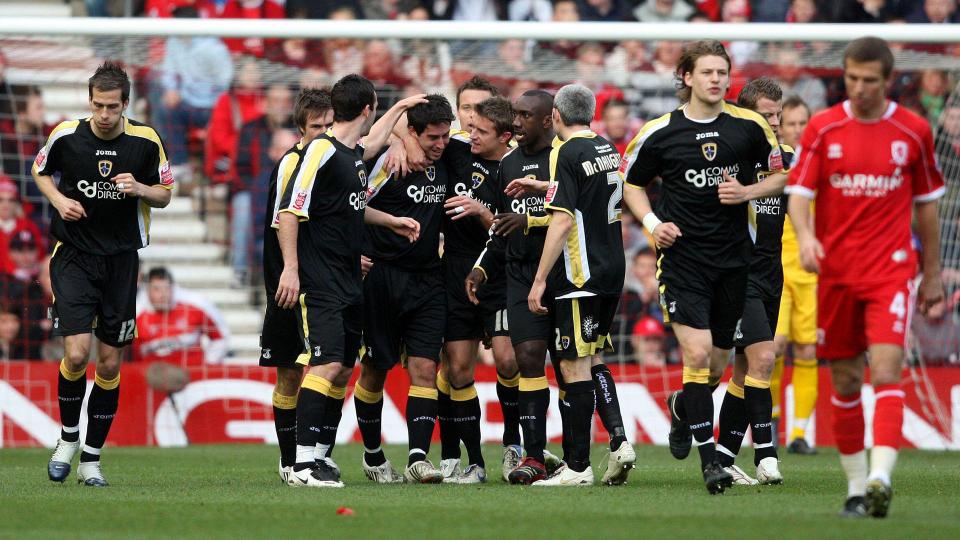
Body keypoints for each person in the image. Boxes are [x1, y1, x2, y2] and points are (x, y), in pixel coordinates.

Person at [785, 36, 945, 518]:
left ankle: (880, 476)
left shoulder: (913, 130)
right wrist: (807, 237)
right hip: (834, 273)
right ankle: (856, 490)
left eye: (869, 80)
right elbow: (798, 194)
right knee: (848, 380)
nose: (859, 88)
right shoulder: (823, 127)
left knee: (887, 367)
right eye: (852, 78)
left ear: (888, 80)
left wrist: (932, 274)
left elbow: (927, 210)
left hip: (890, 272)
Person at [621, 40, 785, 494]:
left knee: (713, 368)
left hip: (735, 264)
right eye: (707, 72)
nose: (716, 79)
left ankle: (681, 408)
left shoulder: (749, 126)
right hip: (683, 263)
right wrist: (653, 224)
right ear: (687, 78)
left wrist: (747, 194)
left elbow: (782, 173)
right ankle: (711, 463)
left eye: (722, 71)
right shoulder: (660, 131)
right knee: (695, 356)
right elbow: (630, 184)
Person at [275, 75, 425, 488]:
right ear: (366, 107)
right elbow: (290, 210)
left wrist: (390, 221)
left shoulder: (350, 154)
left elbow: (371, 147)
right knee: (324, 365)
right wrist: (291, 268)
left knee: (342, 369)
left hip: (348, 280)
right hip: (321, 280)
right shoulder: (320, 151)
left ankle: (320, 456)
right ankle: (302, 465)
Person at [36, 62, 174, 486]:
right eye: (98, 105)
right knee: (77, 354)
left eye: (112, 107)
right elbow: (40, 172)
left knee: (110, 364)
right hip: (74, 255)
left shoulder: (146, 141)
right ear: (89, 101)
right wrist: (59, 201)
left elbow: (166, 195)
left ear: (125, 105)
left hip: (120, 260)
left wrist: (141, 189)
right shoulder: (66, 135)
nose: (104, 114)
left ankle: (92, 460)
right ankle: (67, 439)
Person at [354, 95, 457, 484]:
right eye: (432, 137)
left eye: (445, 136)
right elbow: (350, 207)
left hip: (429, 278)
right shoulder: (388, 163)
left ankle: (418, 457)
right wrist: (398, 140)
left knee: (426, 368)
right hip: (382, 276)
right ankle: (373, 456)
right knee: (375, 368)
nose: (441, 143)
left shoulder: (447, 154)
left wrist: (408, 138)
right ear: (413, 132)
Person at [527, 83, 625, 486]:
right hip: (611, 270)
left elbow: (564, 218)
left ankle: (579, 467)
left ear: (555, 115)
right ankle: (609, 446)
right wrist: (544, 188)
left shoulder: (565, 151)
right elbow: (587, 196)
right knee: (591, 359)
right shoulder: (605, 147)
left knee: (573, 364)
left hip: (579, 276)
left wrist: (538, 281)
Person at [711, 77, 792, 486]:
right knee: (763, 358)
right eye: (766, 115)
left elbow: (808, 209)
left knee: (744, 371)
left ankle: (722, 456)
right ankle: (766, 454)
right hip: (736, 277)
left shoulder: (788, 160)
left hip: (772, 276)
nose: (775, 123)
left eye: (778, 115)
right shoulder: (725, 161)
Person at [436, 96, 515, 484]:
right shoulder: (456, 149)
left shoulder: (517, 169)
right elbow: (411, 130)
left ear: (505, 136)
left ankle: (514, 447)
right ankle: (475, 463)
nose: (471, 135)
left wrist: (482, 212)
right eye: (470, 126)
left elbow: (510, 237)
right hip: (455, 273)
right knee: (459, 368)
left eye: (481, 131)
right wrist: (400, 141)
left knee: (508, 361)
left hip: (498, 277)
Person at [259, 87, 334, 485]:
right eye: (315, 127)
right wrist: (288, 273)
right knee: (288, 374)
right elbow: (283, 222)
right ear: (301, 129)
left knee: (327, 369)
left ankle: (316, 457)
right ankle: (291, 462)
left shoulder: (334, 160)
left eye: (328, 125)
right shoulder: (292, 164)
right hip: (288, 284)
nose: (323, 133)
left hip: (322, 283)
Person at [773, 96, 819, 455]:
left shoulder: (821, 163)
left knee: (807, 347)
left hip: (811, 270)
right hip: (777, 266)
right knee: (774, 347)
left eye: (803, 122)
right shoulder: (776, 163)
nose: (797, 129)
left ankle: (800, 432)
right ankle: (769, 420)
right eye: (791, 123)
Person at [134, 267, 228, 365]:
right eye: (157, 289)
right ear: (147, 291)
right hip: (155, 377)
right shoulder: (138, 321)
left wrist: (209, 363)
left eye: (167, 288)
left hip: (192, 376)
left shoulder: (192, 311)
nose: (163, 294)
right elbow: (134, 357)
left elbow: (219, 338)